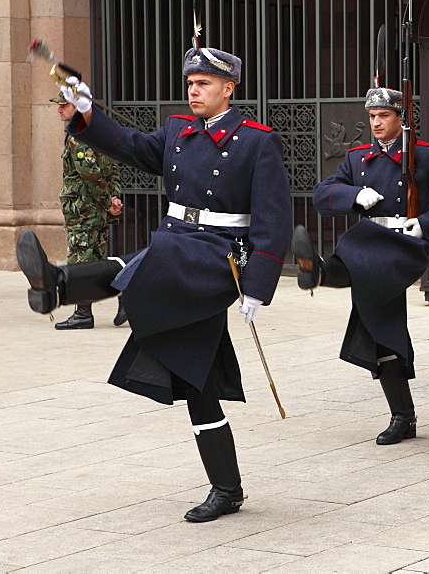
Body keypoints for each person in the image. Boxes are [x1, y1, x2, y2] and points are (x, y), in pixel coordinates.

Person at [16, 46, 292, 522]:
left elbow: (275, 218)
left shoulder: (255, 141)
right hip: (179, 246)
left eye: (203, 83)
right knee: (197, 378)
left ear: (229, 88)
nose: (193, 89)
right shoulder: (177, 132)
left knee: (155, 256)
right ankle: (227, 489)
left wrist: (258, 285)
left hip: (219, 254)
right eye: (190, 82)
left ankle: (61, 286)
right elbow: (127, 144)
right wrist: (86, 111)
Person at [291, 87, 429, 445]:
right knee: (380, 319)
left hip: (406, 243)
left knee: (368, 280)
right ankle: (403, 417)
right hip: (371, 241)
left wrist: (426, 224)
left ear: (401, 118)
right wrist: (353, 195)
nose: (375, 122)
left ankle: (320, 272)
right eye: (372, 117)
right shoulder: (358, 158)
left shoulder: (425, 155)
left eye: (384, 116)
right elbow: (322, 194)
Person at [50, 93, 125, 329]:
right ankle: (127, 297)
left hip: (83, 210)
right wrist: (113, 198)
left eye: (64, 106)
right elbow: (113, 169)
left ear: (79, 107)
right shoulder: (99, 134)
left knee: (81, 260)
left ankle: (83, 313)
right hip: (96, 209)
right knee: (98, 260)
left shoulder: (78, 138)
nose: (59, 110)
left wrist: (106, 201)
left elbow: (90, 175)